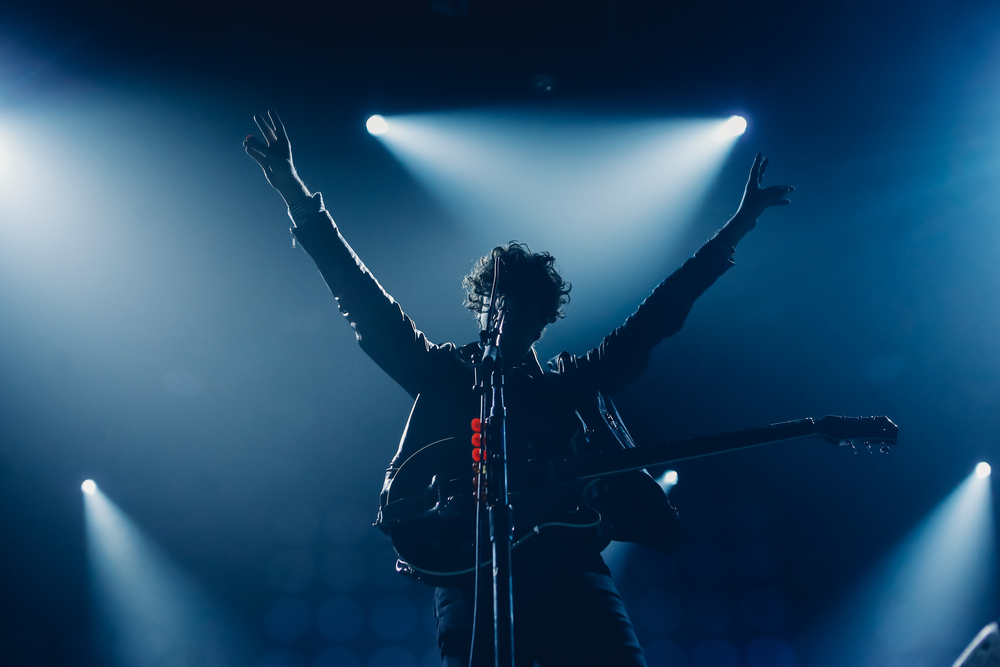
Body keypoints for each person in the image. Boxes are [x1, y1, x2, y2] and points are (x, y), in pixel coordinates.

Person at [244, 110, 793, 667]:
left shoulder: (572, 383)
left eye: (527, 308)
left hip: (572, 569)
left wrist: (737, 227)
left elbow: (661, 313)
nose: (511, 315)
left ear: (543, 320)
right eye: (501, 303)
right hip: (471, 572)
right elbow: (365, 304)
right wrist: (295, 192)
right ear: (484, 308)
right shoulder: (447, 375)